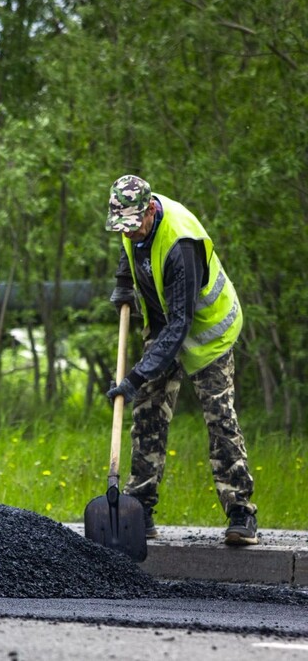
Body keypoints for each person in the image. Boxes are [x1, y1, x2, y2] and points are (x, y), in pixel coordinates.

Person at [104, 174, 257, 546]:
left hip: (207, 332)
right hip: (164, 322)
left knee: (220, 419)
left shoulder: (180, 244)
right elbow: (131, 252)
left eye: (134, 226)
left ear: (150, 211)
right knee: (148, 413)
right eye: (122, 227)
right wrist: (124, 283)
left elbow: (181, 325)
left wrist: (135, 377)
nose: (130, 233)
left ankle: (241, 513)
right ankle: (139, 509)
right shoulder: (132, 223)